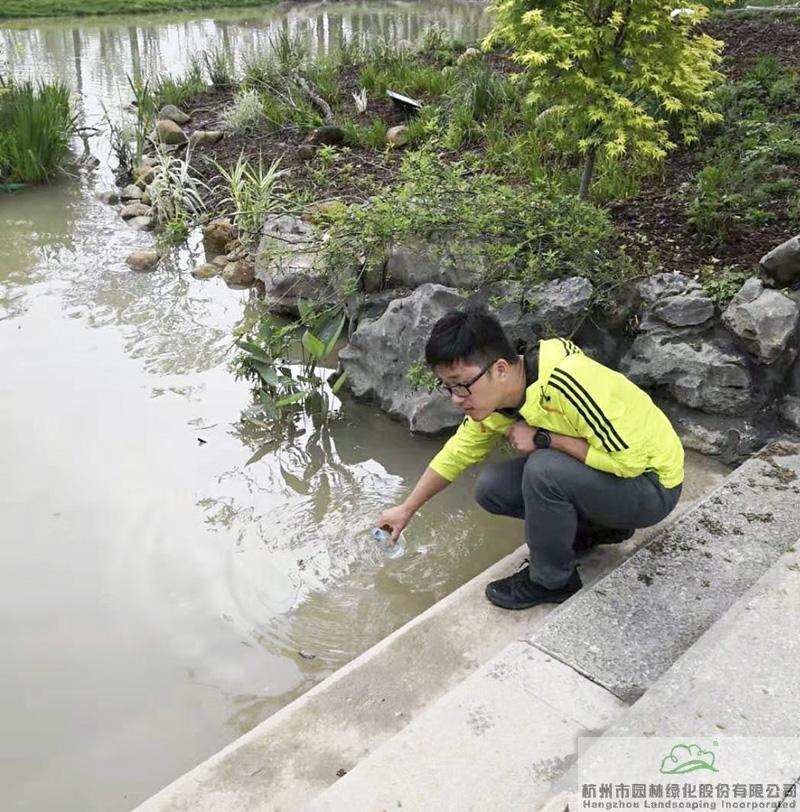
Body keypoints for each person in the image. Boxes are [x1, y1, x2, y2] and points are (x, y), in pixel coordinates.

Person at [375, 307, 684, 610]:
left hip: (652, 485)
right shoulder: (498, 403)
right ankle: (602, 529)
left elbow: (628, 463)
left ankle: (552, 581)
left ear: (499, 369)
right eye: (448, 387)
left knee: (543, 470)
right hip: (614, 480)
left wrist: (545, 438)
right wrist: (406, 509)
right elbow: (456, 454)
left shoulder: (568, 382)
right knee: (492, 487)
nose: (457, 398)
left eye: (462, 385)